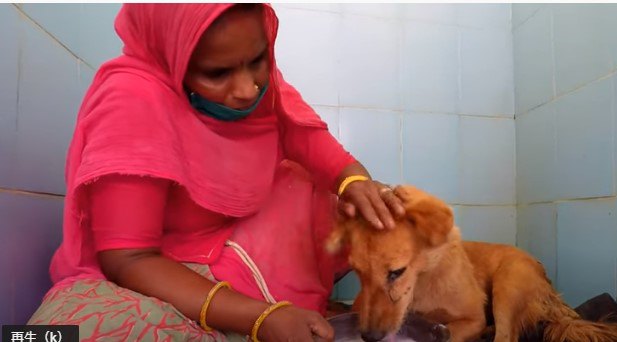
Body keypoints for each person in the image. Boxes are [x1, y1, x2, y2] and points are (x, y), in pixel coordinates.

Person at [28, 3, 404, 341]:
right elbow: (129, 259)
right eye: (217, 72)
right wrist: (261, 318)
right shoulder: (133, 98)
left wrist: (354, 180)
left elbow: (303, 136)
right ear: (173, 55)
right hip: (165, 264)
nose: (246, 89)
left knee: (318, 189)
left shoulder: (259, 85)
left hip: (234, 239)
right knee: (71, 333)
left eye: (258, 60)